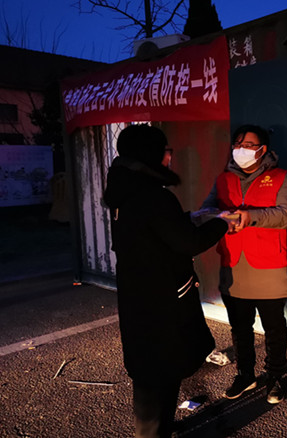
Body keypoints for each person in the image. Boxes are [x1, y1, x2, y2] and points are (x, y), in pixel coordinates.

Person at [103, 124, 229, 438]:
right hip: (162, 298)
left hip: (137, 294)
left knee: (149, 370)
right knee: (161, 369)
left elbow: (154, 231)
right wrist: (221, 223)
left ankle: (159, 426)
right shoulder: (154, 196)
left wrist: (188, 218)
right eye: (164, 151)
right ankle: (152, 432)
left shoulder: (123, 191)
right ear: (149, 155)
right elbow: (189, 242)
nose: (169, 157)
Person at [201, 124, 287, 405]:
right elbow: (207, 209)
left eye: (248, 145)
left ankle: (275, 375)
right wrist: (218, 215)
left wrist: (251, 216)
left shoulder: (281, 177)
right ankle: (245, 374)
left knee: (274, 327)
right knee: (239, 327)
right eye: (237, 144)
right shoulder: (223, 179)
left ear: (262, 150)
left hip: (268, 264)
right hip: (232, 263)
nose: (241, 149)